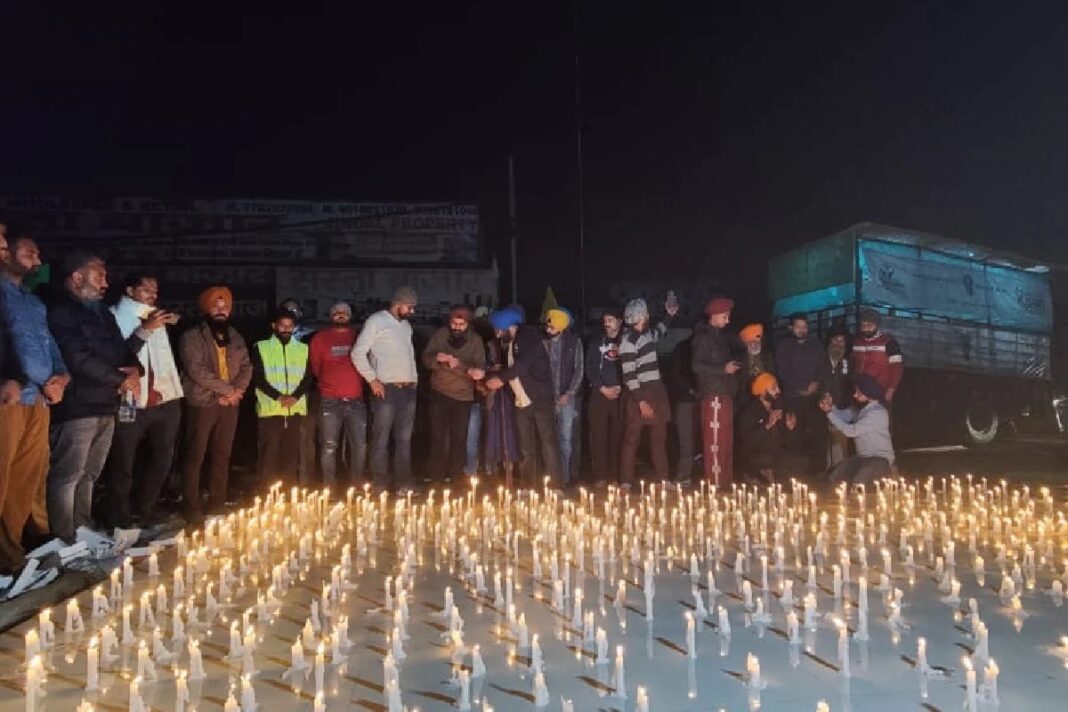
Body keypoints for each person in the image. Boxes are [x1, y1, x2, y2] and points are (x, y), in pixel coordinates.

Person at [47, 251, 143, 541]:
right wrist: (120, 379)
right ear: (77, 277)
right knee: (68, 476)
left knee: (90, 474)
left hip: (106, 403)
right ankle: (64, 538)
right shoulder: (62, 310)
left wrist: (135, 370)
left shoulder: (101, 311)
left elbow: (121, 349)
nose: (105, 281)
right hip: (78, 405)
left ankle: (83, 530)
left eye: (105, 276)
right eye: (98, 275)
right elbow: (76, 357)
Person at [0, 228, 69, 570]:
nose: (37, 261)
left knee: (24, 480)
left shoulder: (33, 301)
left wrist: (62, 377)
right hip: (8, 399)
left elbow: (51, 347)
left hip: (39, 402)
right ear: (6, 254)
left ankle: (9, 556)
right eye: (29, 253)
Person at [105, 273, 184, 528]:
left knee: (162, 457)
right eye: (146, 288)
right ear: (129, 290)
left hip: (165, 399)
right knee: (123, 460)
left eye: (155, 289)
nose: (153, 293)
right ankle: (119, 516)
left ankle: (146, 509)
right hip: (131, 400)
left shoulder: (156, 316)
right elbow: (119, 354)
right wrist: (145, 329)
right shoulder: (114, 316)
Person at [179, 286, 252, 523]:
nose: (221, 310)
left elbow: (246, 366)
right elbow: (196, 370)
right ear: (206, 308)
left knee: (222, 454)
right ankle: (192, 506)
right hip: (202, 402)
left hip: (229, 404)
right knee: (195, 455)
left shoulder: (235, 336)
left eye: (225, 306)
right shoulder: (192, 335)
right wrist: (228, 391)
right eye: (216, 306)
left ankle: (217, 502)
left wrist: (237, 391)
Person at [351, 286, 419, 491]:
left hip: (408, 389)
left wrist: (414, 378)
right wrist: (372, 379)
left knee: (404, 440)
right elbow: (358, 353)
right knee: (381, 438)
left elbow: (409, 354)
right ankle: (380, 483)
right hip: (387, 389)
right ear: (398, 303)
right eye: (410, 307)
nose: (412, 311)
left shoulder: (406, 326)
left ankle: (403, 483)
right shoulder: (376, 321)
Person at [484, 307, 561, 489]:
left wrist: (500, 379)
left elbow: (523, 365)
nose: (497, 335)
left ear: (509, 326)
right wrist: (488, 376)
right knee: (526, 447)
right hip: (521, 401)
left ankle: (556, 486)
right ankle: (528, 485)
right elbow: (508, 368)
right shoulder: (511, 343)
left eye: (499, 330)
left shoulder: (529, 338)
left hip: (540, 399)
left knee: (548, 444)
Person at [422, 305, 486, 483]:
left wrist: (462, 366)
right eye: (454, 323)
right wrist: (437, 359)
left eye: (461, 324)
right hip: (439, 393)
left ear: (468, 324)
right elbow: (426, 359)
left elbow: (480, 368)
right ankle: (436, 477)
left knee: (459, 438)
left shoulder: (476, 341)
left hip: (462, 397)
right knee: (438, 437)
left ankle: (457, 477)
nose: (457, 327)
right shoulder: (441, 335)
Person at [252, 309, 312, 485]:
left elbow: (308, 377)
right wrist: (278, 397)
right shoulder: (261, 347)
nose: (286, 329)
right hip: (270, 411)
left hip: (294, 410)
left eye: (290, 326)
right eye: (282, 326)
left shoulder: (303, 349)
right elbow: (258, 378)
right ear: (274, 326)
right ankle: (266, 497)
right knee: (268, 456)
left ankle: (287, 496)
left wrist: (295, 397)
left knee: (291, 455)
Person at [309, 301, 366, 485]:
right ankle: (329, 488)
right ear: (330, 316)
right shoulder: (320, 338)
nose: (341, 314)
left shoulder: (359, 337)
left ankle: (357, 487)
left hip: (356, 400)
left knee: (360, 446)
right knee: (329, 446)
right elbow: (316, 368)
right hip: (330, 401)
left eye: (345, 312)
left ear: (350, 316)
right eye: (337, 312)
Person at [618, 298, 671, 489]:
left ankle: (662, 479)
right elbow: (629, 374)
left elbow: (660, 331)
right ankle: (626, 481)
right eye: (646, 313)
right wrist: (641, 402)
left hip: (655, 389)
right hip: (639, 392)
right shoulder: (628, 341)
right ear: (640, 316)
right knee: (632, 437)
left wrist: (669, 315)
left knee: (659, 437)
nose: (648, 316)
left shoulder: (647, 333)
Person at [691, 296, 739, 486]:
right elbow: (696, 365)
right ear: (714, 315)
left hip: (724, 393)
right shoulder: (704, 337)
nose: (728, 320)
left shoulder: (719, 337)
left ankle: (725, 480)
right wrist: (723, 369)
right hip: (714, 395)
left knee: (726, 441)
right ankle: (716, 482)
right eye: (725, 316)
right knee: (716, 442)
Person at [774, 313, 827, 475]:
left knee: (816, 433)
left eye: (804, 327)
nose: (801, 330)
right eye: (798, 327)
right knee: (793, 433)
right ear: (791, 328)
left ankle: (818, 469)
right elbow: (782, 371)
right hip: (793, 397)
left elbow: (822, 366)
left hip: (813, 398)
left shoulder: (816, 345)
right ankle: (795, 470)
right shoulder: (784, 346)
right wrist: (800, 386)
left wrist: (816, 383)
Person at [819, 373, 895, 486]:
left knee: (859, 482)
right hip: (862, 457)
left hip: (879, 459)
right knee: (835, 478)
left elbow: (851, 431)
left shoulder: (877, 413)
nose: (855, 395)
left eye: (858, 393)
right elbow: (844, 415)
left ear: (868, 394)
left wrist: (829, 413)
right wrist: (831, 407)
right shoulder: (863, 409)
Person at [736, 373, 806, 484]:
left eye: (778, 387)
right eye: (774, 388)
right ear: (763, 392)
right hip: (757, 455)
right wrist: (767, 425)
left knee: (801, 461)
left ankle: (770, 474)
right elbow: (749, 442)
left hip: (775, 455)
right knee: (766, 460)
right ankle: (759, 474)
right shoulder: (748, 412)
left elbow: (786, 443)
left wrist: (790, 429)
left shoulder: (778, 408)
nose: (778, 391)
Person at [278, 298, 318, 484]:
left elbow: (314, 369)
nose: (292, 313)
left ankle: (305, 482)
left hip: (305, 396)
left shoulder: (312, 336)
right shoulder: (270, 339)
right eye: (288, 310)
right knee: (279, 441)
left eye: (295, 310)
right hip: (277, 399)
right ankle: (282, 483)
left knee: (305, 439)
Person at [544, 308, 583, 485]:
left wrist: (569, 393)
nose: (547, 328)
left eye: (551, 325)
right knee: (548, 439)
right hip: (546, 399)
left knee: (565, 440)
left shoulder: (574, 342)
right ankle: (550, 477)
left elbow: (578, 370)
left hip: (567, 399)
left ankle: (564, 478)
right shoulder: (544, 343)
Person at [585, 309, 624, 486]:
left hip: (620, 396)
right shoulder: (596, 342)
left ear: (620, 321)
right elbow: (590, 367)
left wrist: (621, 387)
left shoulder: (626, 341)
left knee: (618, 437)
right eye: (605, 320)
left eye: (610, 319)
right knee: (598, 436)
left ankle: (615, 476)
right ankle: (600, 476)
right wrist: (602, 388)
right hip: (599, 395)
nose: (607, 323)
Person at [483, 311, 520, 488]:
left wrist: (505, 372)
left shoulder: (517, 344)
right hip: (496, 395)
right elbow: (485, 368)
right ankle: (495, 467)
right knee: (495, 431)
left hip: (514, 395)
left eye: (500, 330)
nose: (498, 334)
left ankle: (511, 469)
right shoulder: (490, 345)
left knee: (512, 432)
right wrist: (493, 371)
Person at [664, 334, 699, 485]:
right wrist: (691, 390)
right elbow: (675, 375)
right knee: (685, 439)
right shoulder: (684, 349)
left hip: (704, 400)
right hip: (685, 400)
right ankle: (683, 475)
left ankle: (694, 474)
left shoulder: (710, 345)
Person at [852, 307, 903, 406]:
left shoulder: (889, 343)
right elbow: (854, 364)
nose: (866, 328)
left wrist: (891, 390)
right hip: (860, 391)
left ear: (877, 325)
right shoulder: (856, 342)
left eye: (870, 325)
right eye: (863, 325)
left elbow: (897, 368)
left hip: (880, 391)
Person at [821, 325, 853, 467]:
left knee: (841, 439)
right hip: (823, 407)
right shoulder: (821, 361)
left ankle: (842, 468)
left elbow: (852, 383)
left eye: (842, 341)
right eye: (835, 340)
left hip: (843, 407)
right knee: (827, 441)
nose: (838, 345)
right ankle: (828, 468)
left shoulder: (850, 362)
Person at [737, 322, 774, 406]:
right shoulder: (739, 358)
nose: (755, 344)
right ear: (746, 343)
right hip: (746, 399)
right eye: (752, 342)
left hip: (766, 397)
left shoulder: (768, 356)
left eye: (757, 342)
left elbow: (772, 376)